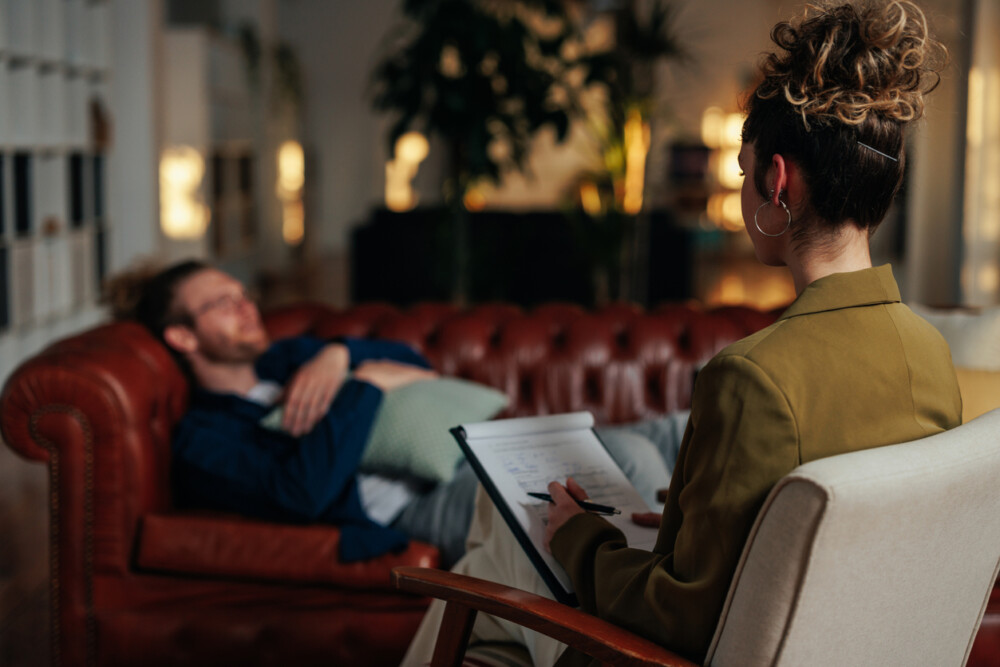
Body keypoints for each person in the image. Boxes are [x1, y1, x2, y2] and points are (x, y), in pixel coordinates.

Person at [402, 1, 961, 665]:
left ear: (776, 181)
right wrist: (682, 518)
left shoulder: (753, 378)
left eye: (742, 171)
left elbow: (682, 619)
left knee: (502, 545)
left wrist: (582, 537)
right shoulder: (931, 355)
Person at [106, 260, 683, 567]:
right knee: (630, 454)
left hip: (467, 454)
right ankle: (667, 613)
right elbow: (301, 492)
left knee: (681, 428)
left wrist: (336, 356)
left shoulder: (290, 359)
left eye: (241, 293)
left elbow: (412, 359)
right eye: (220, 304)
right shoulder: (203, 438)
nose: (245, 308)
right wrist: (362, 385)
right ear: (181, 335)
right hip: (415, 505)